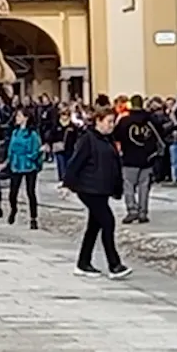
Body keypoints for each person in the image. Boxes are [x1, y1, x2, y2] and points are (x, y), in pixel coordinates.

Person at [62, 107, 131, 279]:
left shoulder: (108, 139)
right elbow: (76, 162)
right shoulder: (88, 139)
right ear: (98, 121)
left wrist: (117, 188)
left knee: (94, 226)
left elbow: (114, 164)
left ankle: (83, 263)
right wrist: (67, 184)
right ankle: (114, 265)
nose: (111, 125)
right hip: (89, 188)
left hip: (102, 189)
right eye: (108, 121)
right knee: (108, 221)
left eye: (113, 122)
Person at [112, 96, 162, 224]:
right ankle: (143, 212)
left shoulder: (125, 121)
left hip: (129, 158)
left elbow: (116, 136)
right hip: (147, 158)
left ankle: (131, 210)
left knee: (128, 185)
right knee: (144, 186)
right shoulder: (150, 120)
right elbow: (160, 132)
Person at [6, 107, 44, 228]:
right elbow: (10, 149)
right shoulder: (15, 132)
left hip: (29, 165)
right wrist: (8, 161)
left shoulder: (32, 134)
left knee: (30, 192)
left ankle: (33, 218)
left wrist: (31, 158)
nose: (17, 119)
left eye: (19, 116)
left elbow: (36, 150)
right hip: (16, 164)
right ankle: (13, 209)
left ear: (25, 118)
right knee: (13, 192)